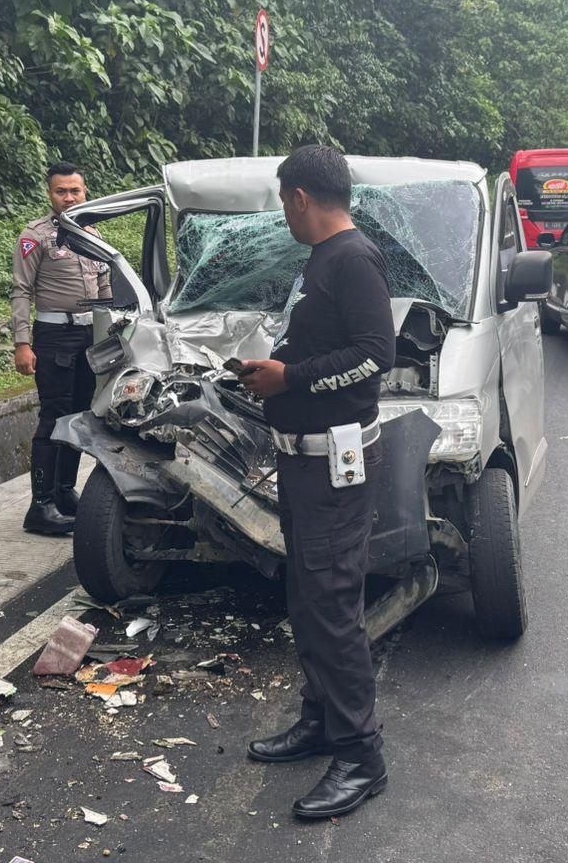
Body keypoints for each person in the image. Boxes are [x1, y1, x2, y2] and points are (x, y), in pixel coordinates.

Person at [236, 145, 396, 819]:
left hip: (337, 463)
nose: (284, 214)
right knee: (306, 597)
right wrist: (273, 365)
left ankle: (361, 756)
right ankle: (320, 719)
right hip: (304, 460)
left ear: (301, 196)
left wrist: (291, 378)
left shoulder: (352, 258)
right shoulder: (322, 260)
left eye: (283, 202)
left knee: (332, 608)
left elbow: (375, 356)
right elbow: (326, 342)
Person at [12, 162, 111, 535]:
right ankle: (40, 505)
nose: (69, 197)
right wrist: (23, 342)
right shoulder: (35, 236)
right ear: (49, 193)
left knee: (79, 417)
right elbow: (21, 290)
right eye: (61, 191)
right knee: (53, 418)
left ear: (85, 192)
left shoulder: (92, 234)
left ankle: (64, 491)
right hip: (53, 337)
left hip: (89, 337)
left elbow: (105, 291)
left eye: (75, 191)